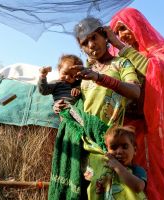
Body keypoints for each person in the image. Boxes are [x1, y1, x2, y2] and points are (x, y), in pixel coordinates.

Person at [48, 16, 141, 200]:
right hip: (84, 145)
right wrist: (60, 106)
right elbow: (80, 106)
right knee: (87, 191)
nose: (91, 45)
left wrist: (100, 78)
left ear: (104, 36)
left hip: (109, 144)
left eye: (94, 37)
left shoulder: (121, 64)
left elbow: (135, 91)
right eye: (85, 42)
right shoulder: (82, 74)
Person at [108, 7, 164, 199]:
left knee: (152, 176)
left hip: (151, 130)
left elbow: (154, 72)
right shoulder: (116, 61)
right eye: (117, 31)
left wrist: (121, 47)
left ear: (138, 27)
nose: (121, 35)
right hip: (124, 129)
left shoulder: (161, 52)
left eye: (125, 28)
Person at [84, 126, 147, 199]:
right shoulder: (103, 167)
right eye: (114, 147)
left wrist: (117, 166)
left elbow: (138, 186)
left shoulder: (137, 170)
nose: (119, 151)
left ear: (135, 150)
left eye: (125, 146)